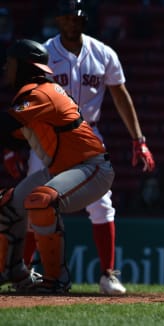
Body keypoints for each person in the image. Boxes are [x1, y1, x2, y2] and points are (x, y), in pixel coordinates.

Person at [7, 0, 155, 295]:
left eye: (75, 18)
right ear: (58, 20)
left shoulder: (102, 53)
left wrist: (138, 138)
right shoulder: (44, 52)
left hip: (87, 134)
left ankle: (108, 275)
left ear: (83, 20)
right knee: (36, 203)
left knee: (102, 204)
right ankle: (23, 273)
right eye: (65, 18)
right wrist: (14, 146)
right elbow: (27, 102)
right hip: (47, 137)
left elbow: (121, 95)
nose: (70, 23)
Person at [0, 39, 114, 293]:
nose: (6, 68)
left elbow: (5, 125)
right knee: (8, 204)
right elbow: (13, 134)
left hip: (91, 167)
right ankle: (15, 272)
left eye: (10, 63)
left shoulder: (41, 92)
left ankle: (57, 279)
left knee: (41, 199)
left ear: (25, 66)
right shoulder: (34, 92)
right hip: (63, 168)